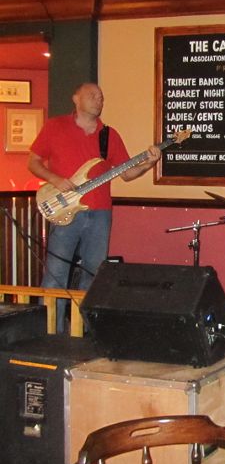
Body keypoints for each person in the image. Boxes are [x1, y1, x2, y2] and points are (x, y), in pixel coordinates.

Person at [28, 82, 161, 332]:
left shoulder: (109, 135)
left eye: (101, 97)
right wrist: (55, 179)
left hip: (99, 214)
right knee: (55, 274)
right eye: (92, 95)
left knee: (93, 275)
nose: (99, 100)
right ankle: (48, 333)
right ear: (75, 98)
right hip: (63, 210)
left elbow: (128, 173)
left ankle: (85, 332)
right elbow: (33, 162)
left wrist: (149, 163)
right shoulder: (55, 127)